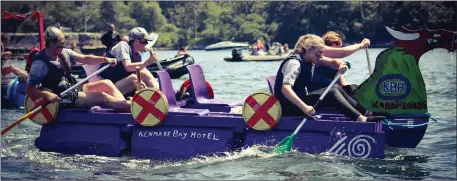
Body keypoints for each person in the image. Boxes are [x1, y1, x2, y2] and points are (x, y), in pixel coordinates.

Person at [273, 34, 385, 122]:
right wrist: (304, 107)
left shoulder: (310, 58)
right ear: (309, 49)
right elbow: (285, 89)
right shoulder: (294, 63)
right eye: (319, 53)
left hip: (300, 99)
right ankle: (360, 119)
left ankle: (368, 112)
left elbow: (333, 61)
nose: (321, 56)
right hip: (289, 106)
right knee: (331, 92)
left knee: (337, 87)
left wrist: (341, 65)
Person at [26, 26, 130, 111]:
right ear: (51, 43)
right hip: (62, 98)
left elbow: (85, 58)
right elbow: (29, 89)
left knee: (106, 83)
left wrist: (105, 59)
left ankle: (126, 108)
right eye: (61, 45)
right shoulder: (40, 64)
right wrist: (47, 95)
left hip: (72, 89)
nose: (63, 47)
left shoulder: (65, 52)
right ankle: (132, 107)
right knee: (102, 97)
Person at [98, 27, 159, 96]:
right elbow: (128, 67)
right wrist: (148, 62)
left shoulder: (137, 55)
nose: (146, 44)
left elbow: (141, 72)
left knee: (145, 72)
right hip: (108, 88)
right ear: (136, 41)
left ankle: (158, 95)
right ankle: (148, 97)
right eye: (144, 41)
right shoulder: (123, 46)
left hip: (121, 85)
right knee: (134, 78)